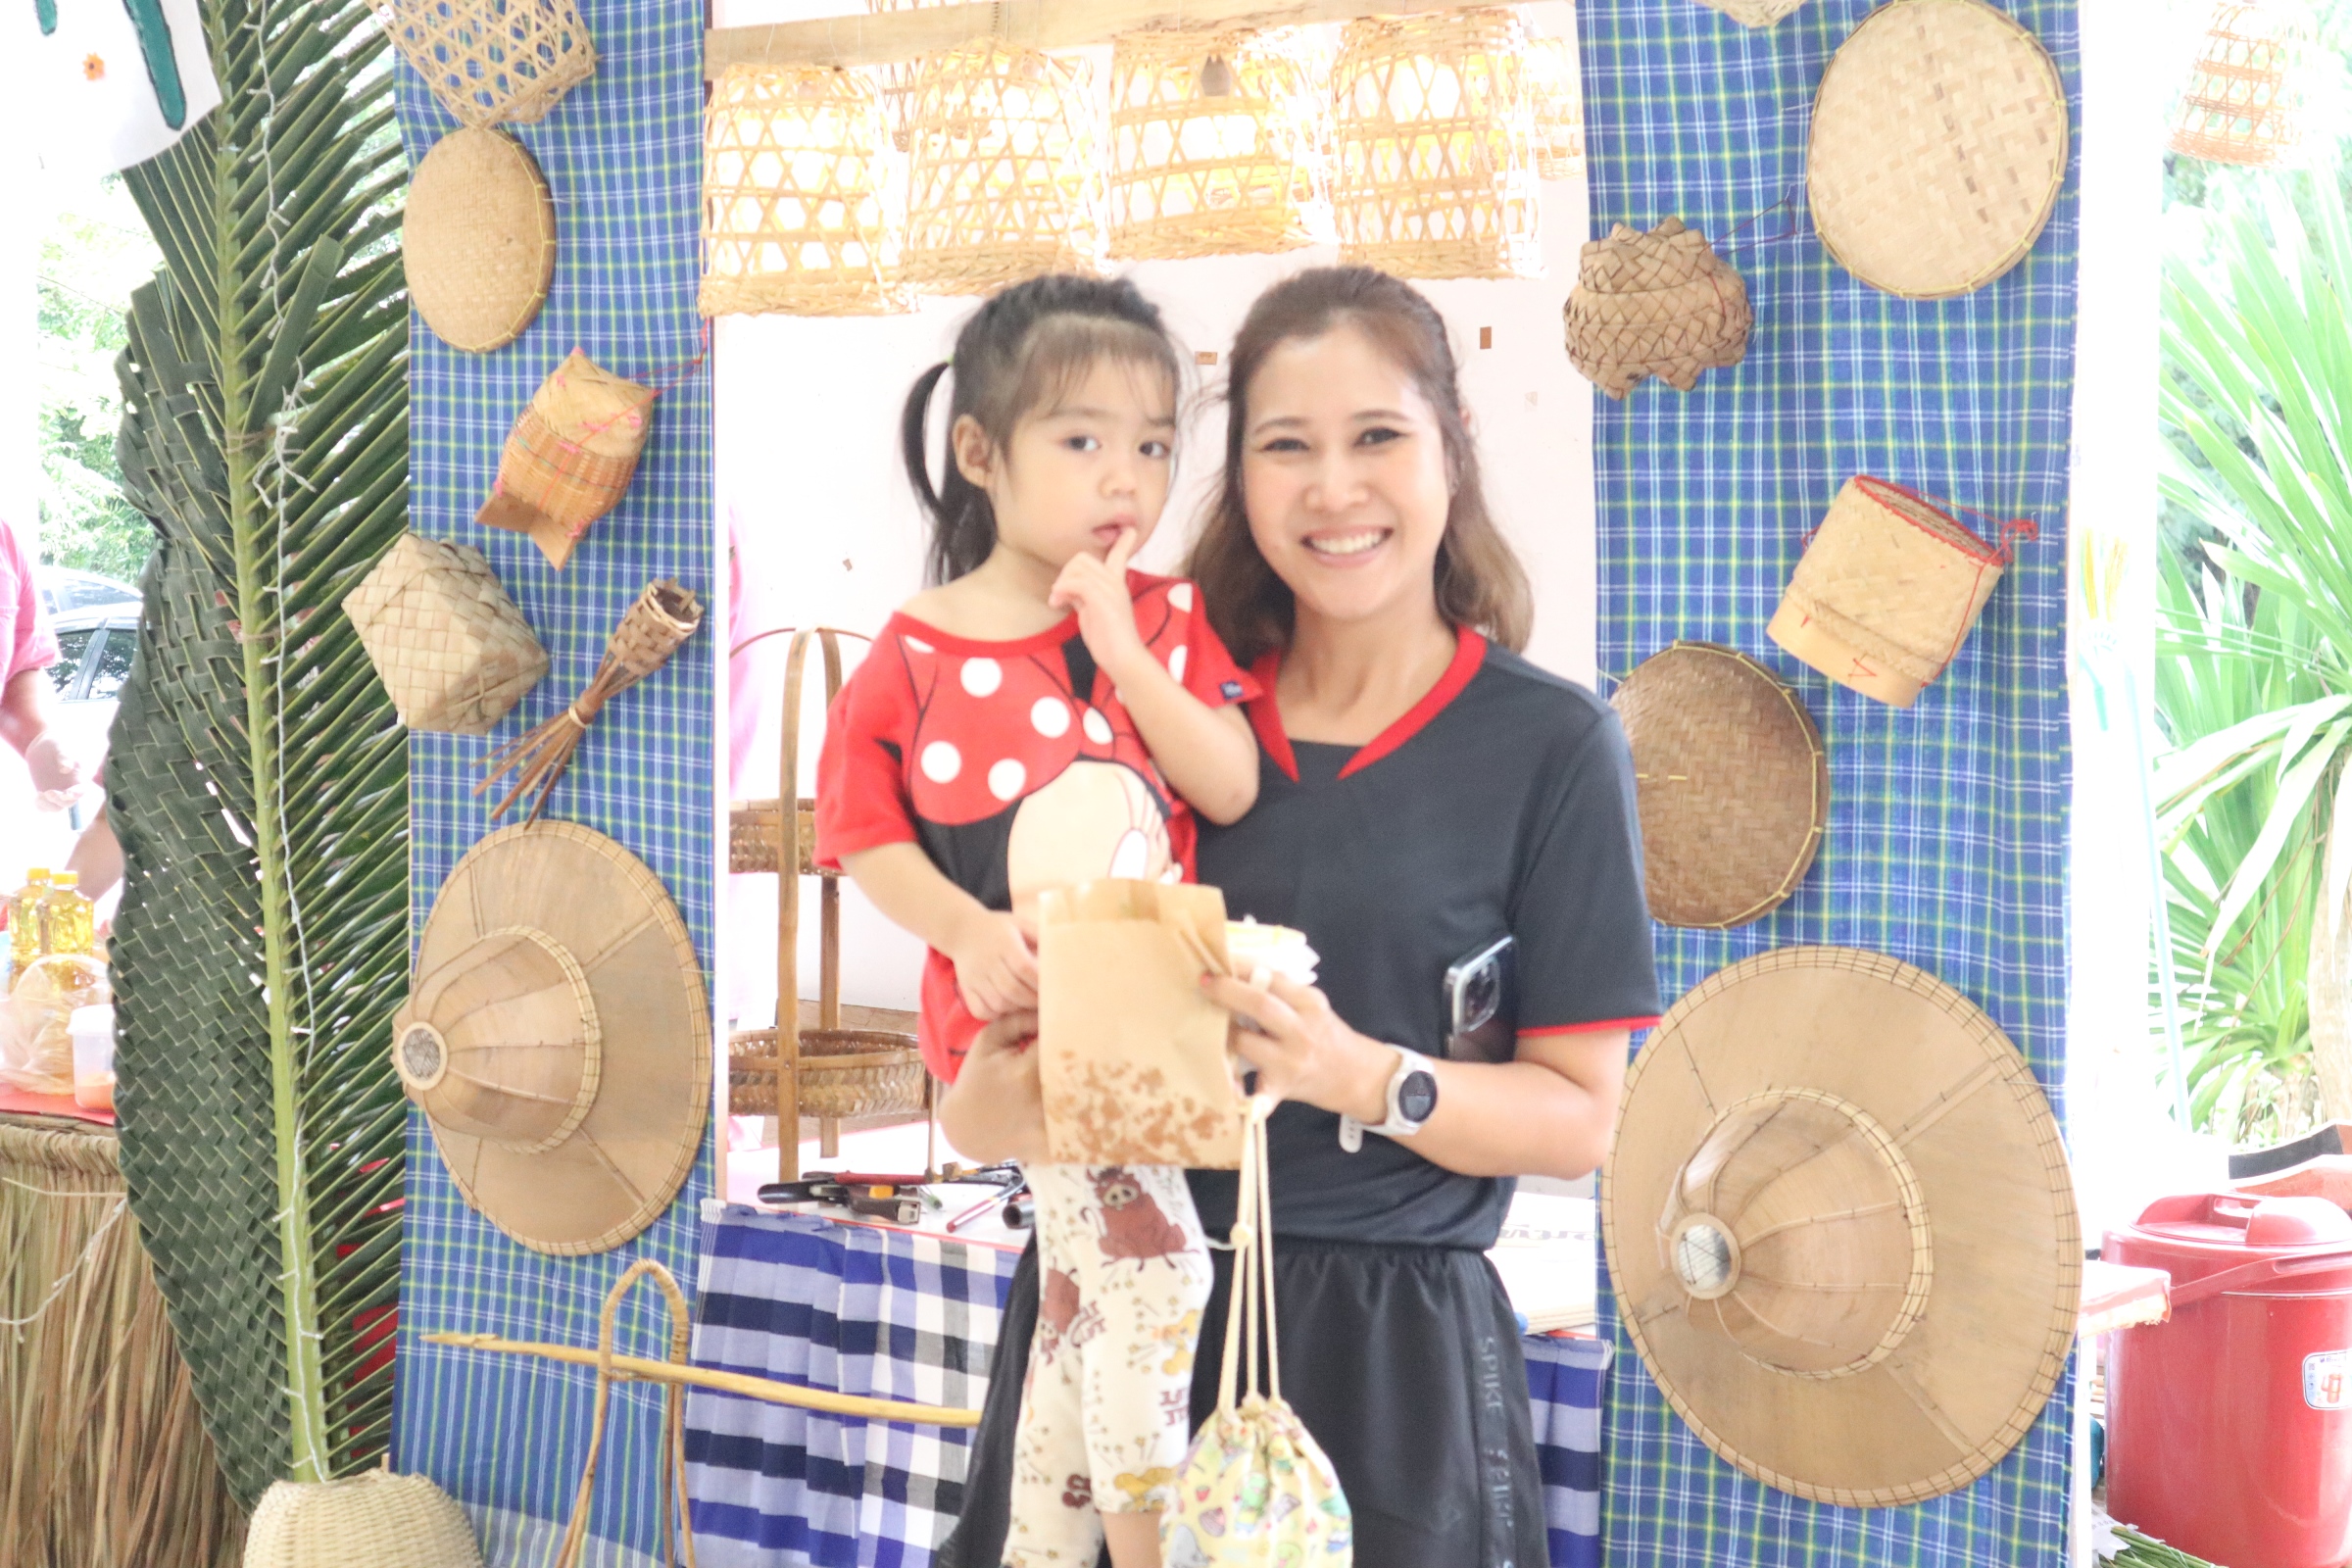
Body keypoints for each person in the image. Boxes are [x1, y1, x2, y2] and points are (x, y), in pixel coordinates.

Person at [937, 267, 1662, 1568]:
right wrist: (992, 1093)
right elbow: (993, 1096)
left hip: (1392, 1369)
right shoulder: (1143, 713)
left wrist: (1357, 1073)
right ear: (1240, 478)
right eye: (1285, 447)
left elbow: (1579, 1121)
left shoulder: (1552, 748)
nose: (1334, 489)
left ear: (1452, 446)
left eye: (1376, 436)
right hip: (1118, 1326)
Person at [813, 274, 1262, 1568]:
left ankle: (1043, 1548)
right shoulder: (915, 648)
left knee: (1080, 1296)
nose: (1126, 477)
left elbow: (1229, 782)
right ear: (980, 452)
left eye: (1155, 446)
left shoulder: (1166, 620)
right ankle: (1150, 1552)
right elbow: (864, 833)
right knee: (1160, 1275)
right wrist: (964, 930)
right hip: (1018, 1028)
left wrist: (1123, 650)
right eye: (1082, 440)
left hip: (1153, 1024)